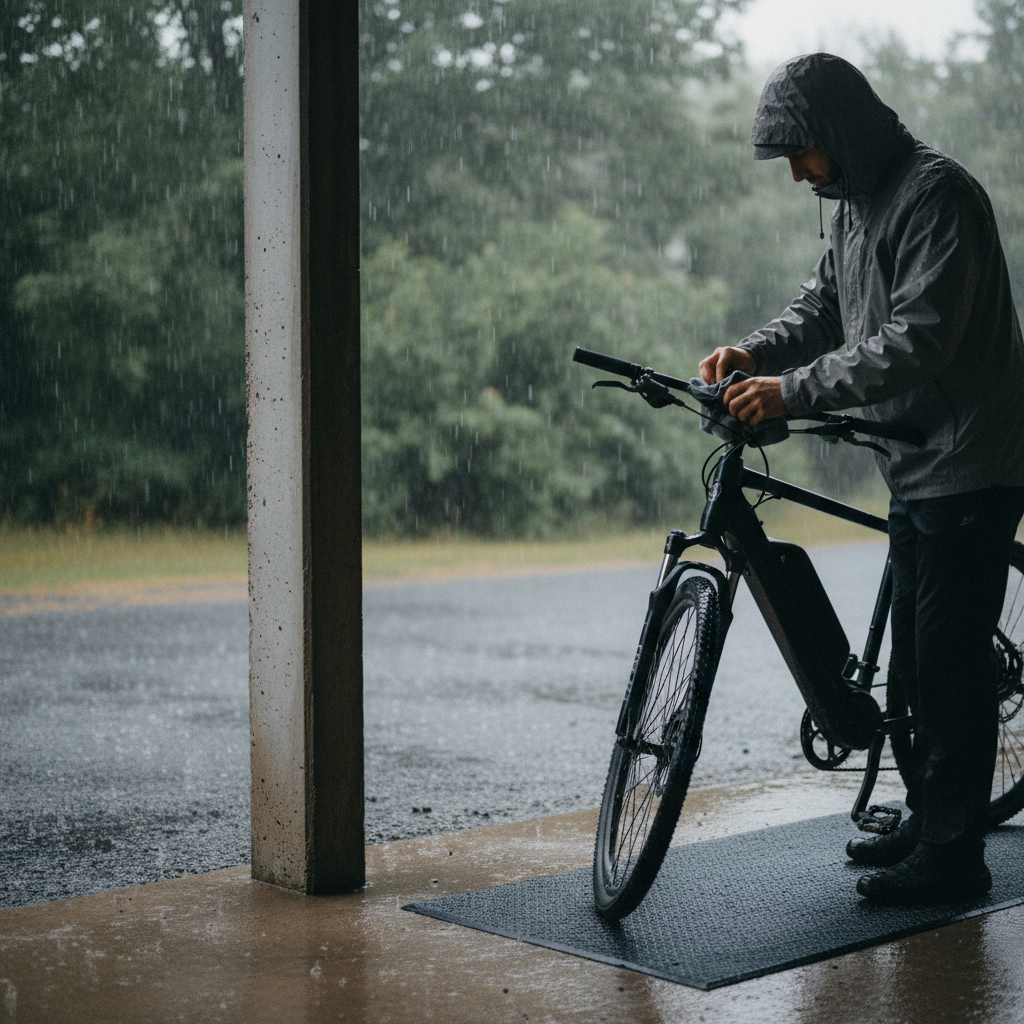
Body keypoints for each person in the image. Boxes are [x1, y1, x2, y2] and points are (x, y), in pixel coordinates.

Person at [699, 52, 1024, 904]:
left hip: (970, 457)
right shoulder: (853, 204)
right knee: (915, 668)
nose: (801, 172)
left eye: (804, 152)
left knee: (948, 667)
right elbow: (826, 308)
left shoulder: (935, 195)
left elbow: (919, 337)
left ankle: (955, 860)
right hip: (917, 455)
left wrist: (791, 392)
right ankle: (930, 820)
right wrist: (757, 353)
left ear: (839, 132)